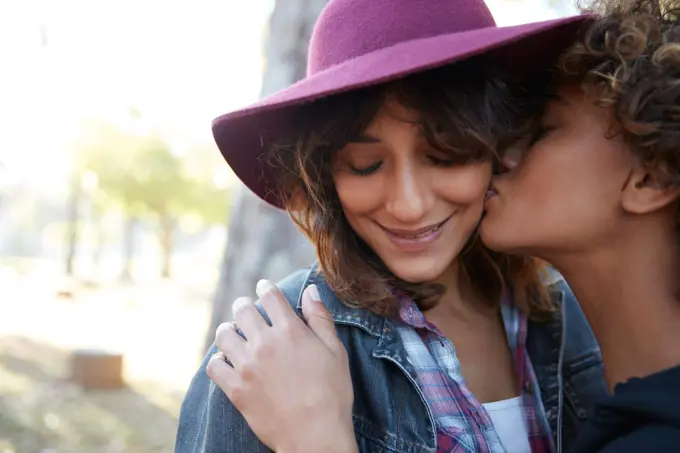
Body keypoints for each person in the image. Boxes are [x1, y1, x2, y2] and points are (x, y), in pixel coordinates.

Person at [199, 0, 680, 452]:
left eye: (447, 154)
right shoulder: (271, 354)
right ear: (328, 175)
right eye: (365, 166)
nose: (409, 206)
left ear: (498, 137)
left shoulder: (574, 325)